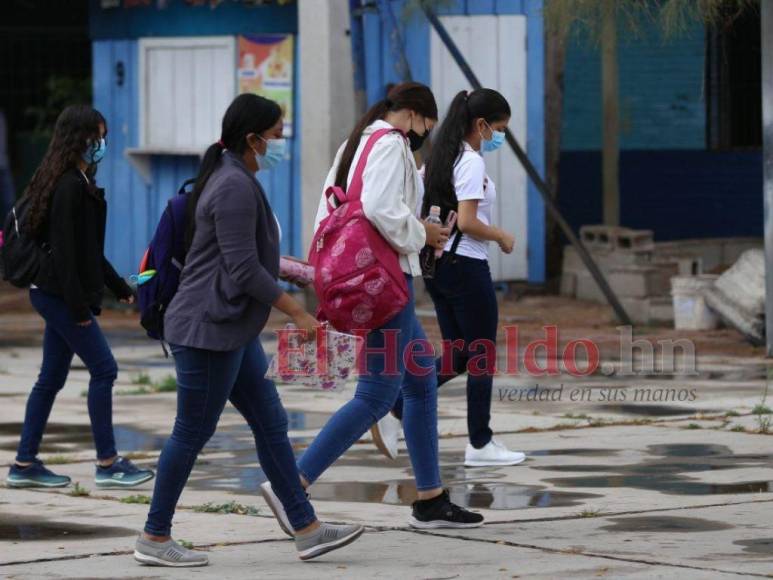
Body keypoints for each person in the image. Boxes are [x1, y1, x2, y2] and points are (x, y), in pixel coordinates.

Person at [134, 94, 363, 567]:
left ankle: (306, 529)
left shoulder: (235, 178)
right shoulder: (233, 186)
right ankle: (154, 537)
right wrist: (296, 312)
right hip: (206, 331)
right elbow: (242, 269)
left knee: (271, 422)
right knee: (191, 432)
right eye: (277, 135)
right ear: (253, 139)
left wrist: (304, 275)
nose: (281, 143)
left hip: (230, 330)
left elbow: (246, 260)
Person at [259, 82, 485, 531]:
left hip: (363, 278)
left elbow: (334, 213)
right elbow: (381, 209)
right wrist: (424, 233)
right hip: (382, 282)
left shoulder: (356, 142)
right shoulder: (392, 144)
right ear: (416, 116)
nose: (425, 136)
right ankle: (291, 485)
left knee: (420, 383)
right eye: (428, 126)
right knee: (376, 396)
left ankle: (430, 497)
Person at [375, 89, 526, 468]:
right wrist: (501, 236)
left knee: (459, 354)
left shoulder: (440, 159)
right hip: (467, 267)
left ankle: (392, 407)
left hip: (439, 269)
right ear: (482, 125)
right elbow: (471, 221)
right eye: (500, 128)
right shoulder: (471, 161)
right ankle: (480, 442)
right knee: (481, 357)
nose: (500, 136)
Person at [5, 105, 154, 490]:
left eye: (103, 136)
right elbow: (67, 253)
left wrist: (120, 288)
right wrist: (78, 308)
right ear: (79, 139)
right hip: (58, 295)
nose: (101, 144)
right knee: (104, 370)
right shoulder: (69, 186)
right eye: (96, 137)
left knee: (50, 377)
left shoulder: (72, 181)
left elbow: (87, 251)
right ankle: (107, 462)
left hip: (54, 292)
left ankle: (24, 464)